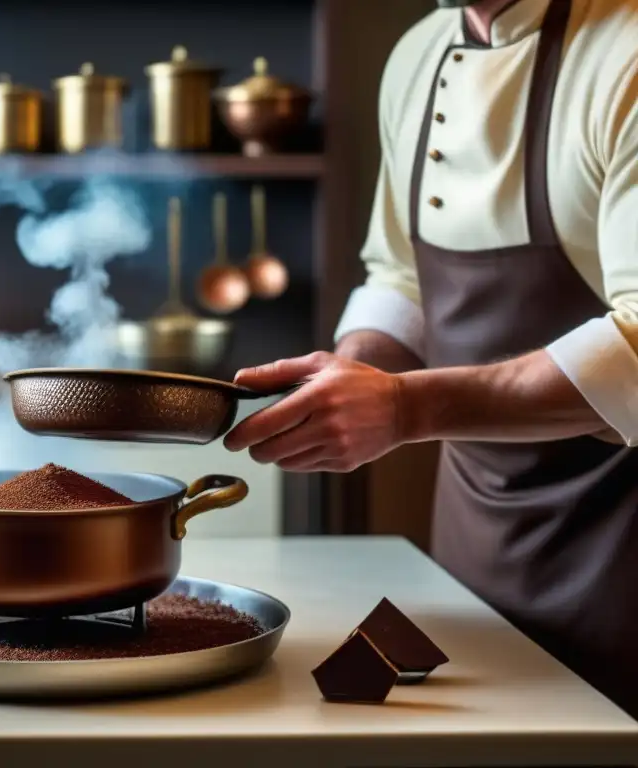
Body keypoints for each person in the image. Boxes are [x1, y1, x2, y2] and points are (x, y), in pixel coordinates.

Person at [224, 0, 638, 718]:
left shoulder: (626, 54)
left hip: (621, 548)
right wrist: (350, 371)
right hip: (475, 534)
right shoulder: (418, 53)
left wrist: (407, 407)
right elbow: (400, 274)